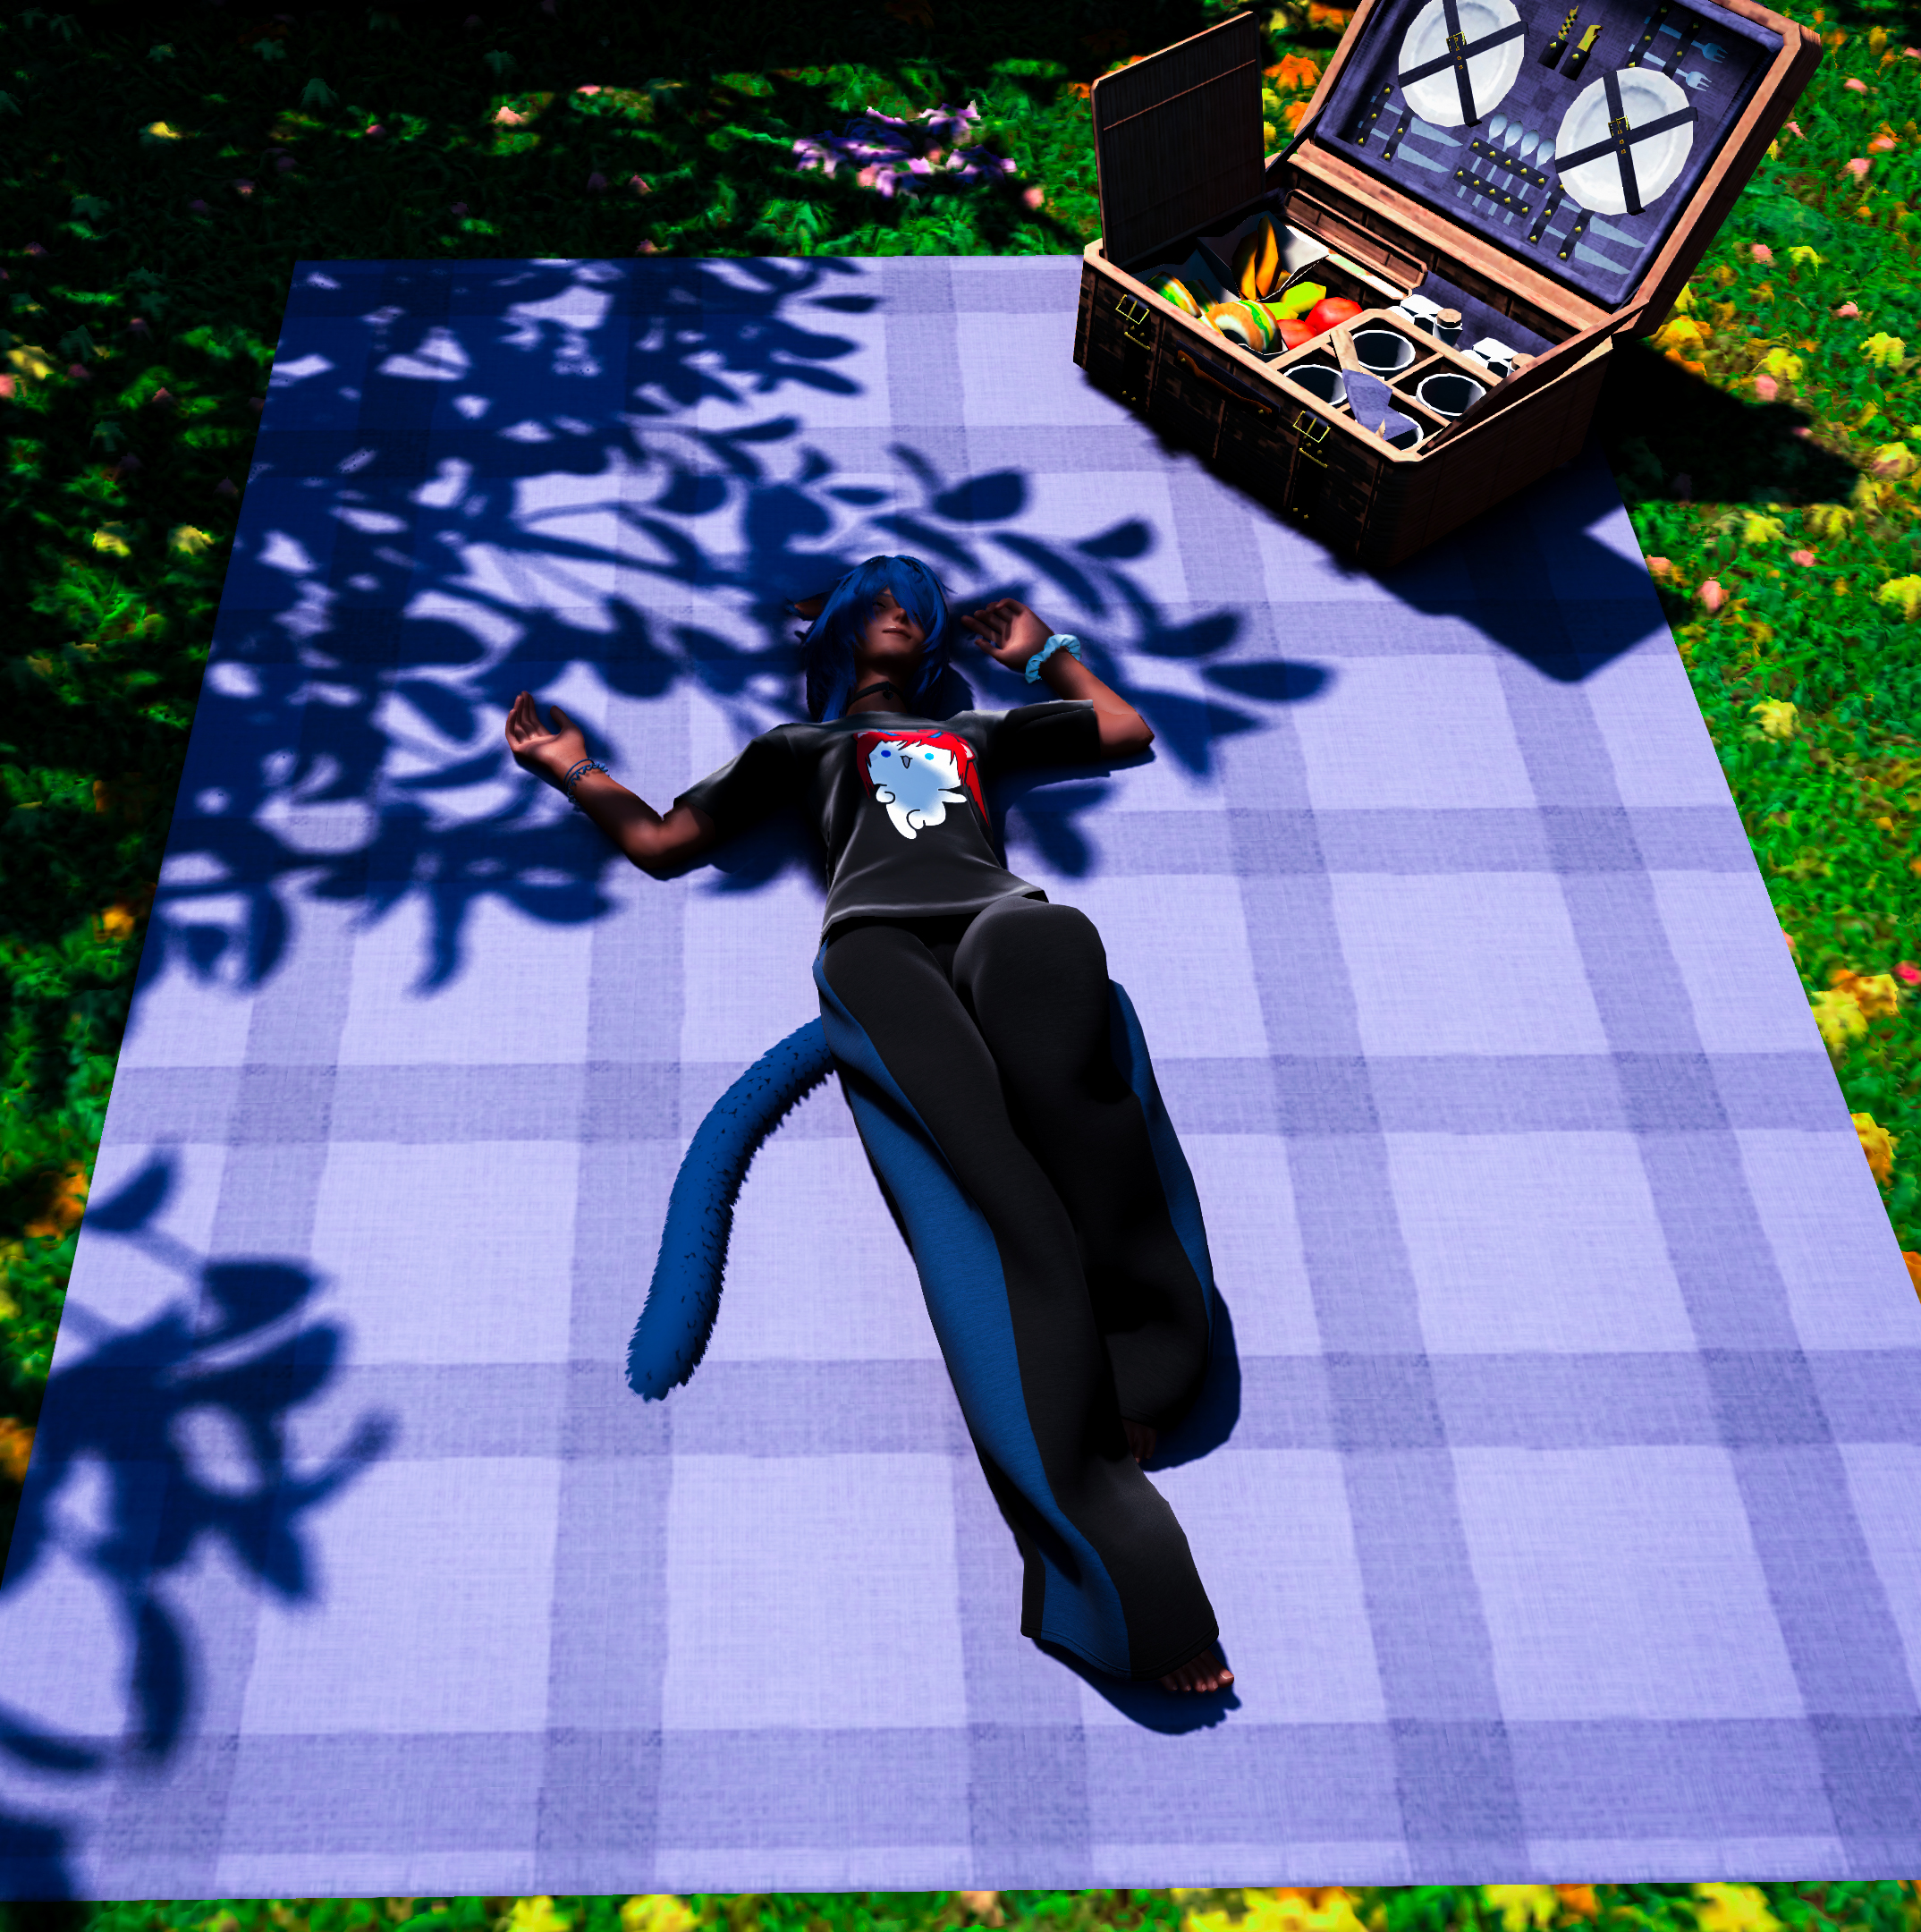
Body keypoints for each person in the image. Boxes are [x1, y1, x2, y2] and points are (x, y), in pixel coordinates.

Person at [504, 555, 1233, 1695]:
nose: (900, 613)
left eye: (916, 606)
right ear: (837, 628)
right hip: (876, 941)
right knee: (991, 1195)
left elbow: (1123, 730)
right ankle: (1129, 1592)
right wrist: (572, 769)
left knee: (1083, 1097)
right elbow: (662, 843)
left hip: (1004, 914)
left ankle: (1146, 1371)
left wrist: (1043, 653)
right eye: (880, 600)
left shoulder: (978, 734)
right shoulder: (795, 749)